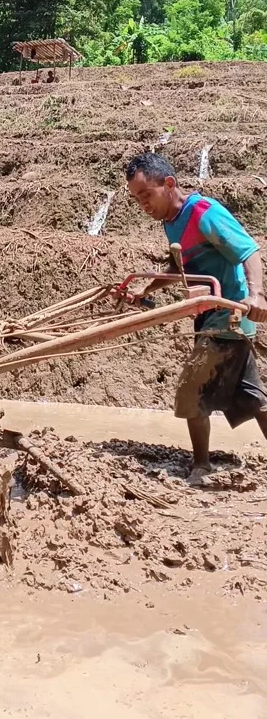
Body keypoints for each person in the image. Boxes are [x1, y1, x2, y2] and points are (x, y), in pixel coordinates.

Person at [125, 151, 267, 483]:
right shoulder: (170, 222)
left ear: (169, 183)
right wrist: (145, 291)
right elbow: (179, 267)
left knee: (191, 389)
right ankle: (201, 462)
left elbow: (248, 250)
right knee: (252, 397)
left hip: (229, 314)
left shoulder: (203, 213)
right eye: (136, 198)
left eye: (147, 194)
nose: (143, 203)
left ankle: (201, 466)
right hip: (209, 317)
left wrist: (256, 294)